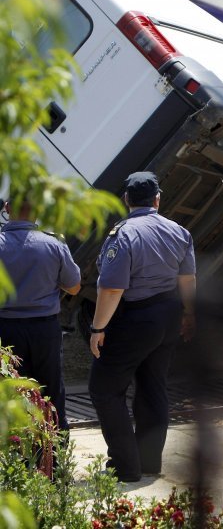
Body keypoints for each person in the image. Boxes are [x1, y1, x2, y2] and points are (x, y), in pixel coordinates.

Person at [89, 172, 196, 483]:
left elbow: (111, 289)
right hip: (168, 315)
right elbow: (187, 279)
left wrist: (97, 329)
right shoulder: (179, 231)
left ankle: (125, 466)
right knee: (153, 388)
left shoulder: (122, 234)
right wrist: (190, 314)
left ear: (126, 200)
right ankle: (149, 462)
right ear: (158, 199)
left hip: (135, 317)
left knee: (105, 390)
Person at [0, 198, 81, 431]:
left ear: (7, 209)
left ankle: (18, 457)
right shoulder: (53, 244)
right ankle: (54, 456)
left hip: (6, 330)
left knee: (12, 391)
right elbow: (74, 287)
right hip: (45, 330)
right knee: (51, 390)